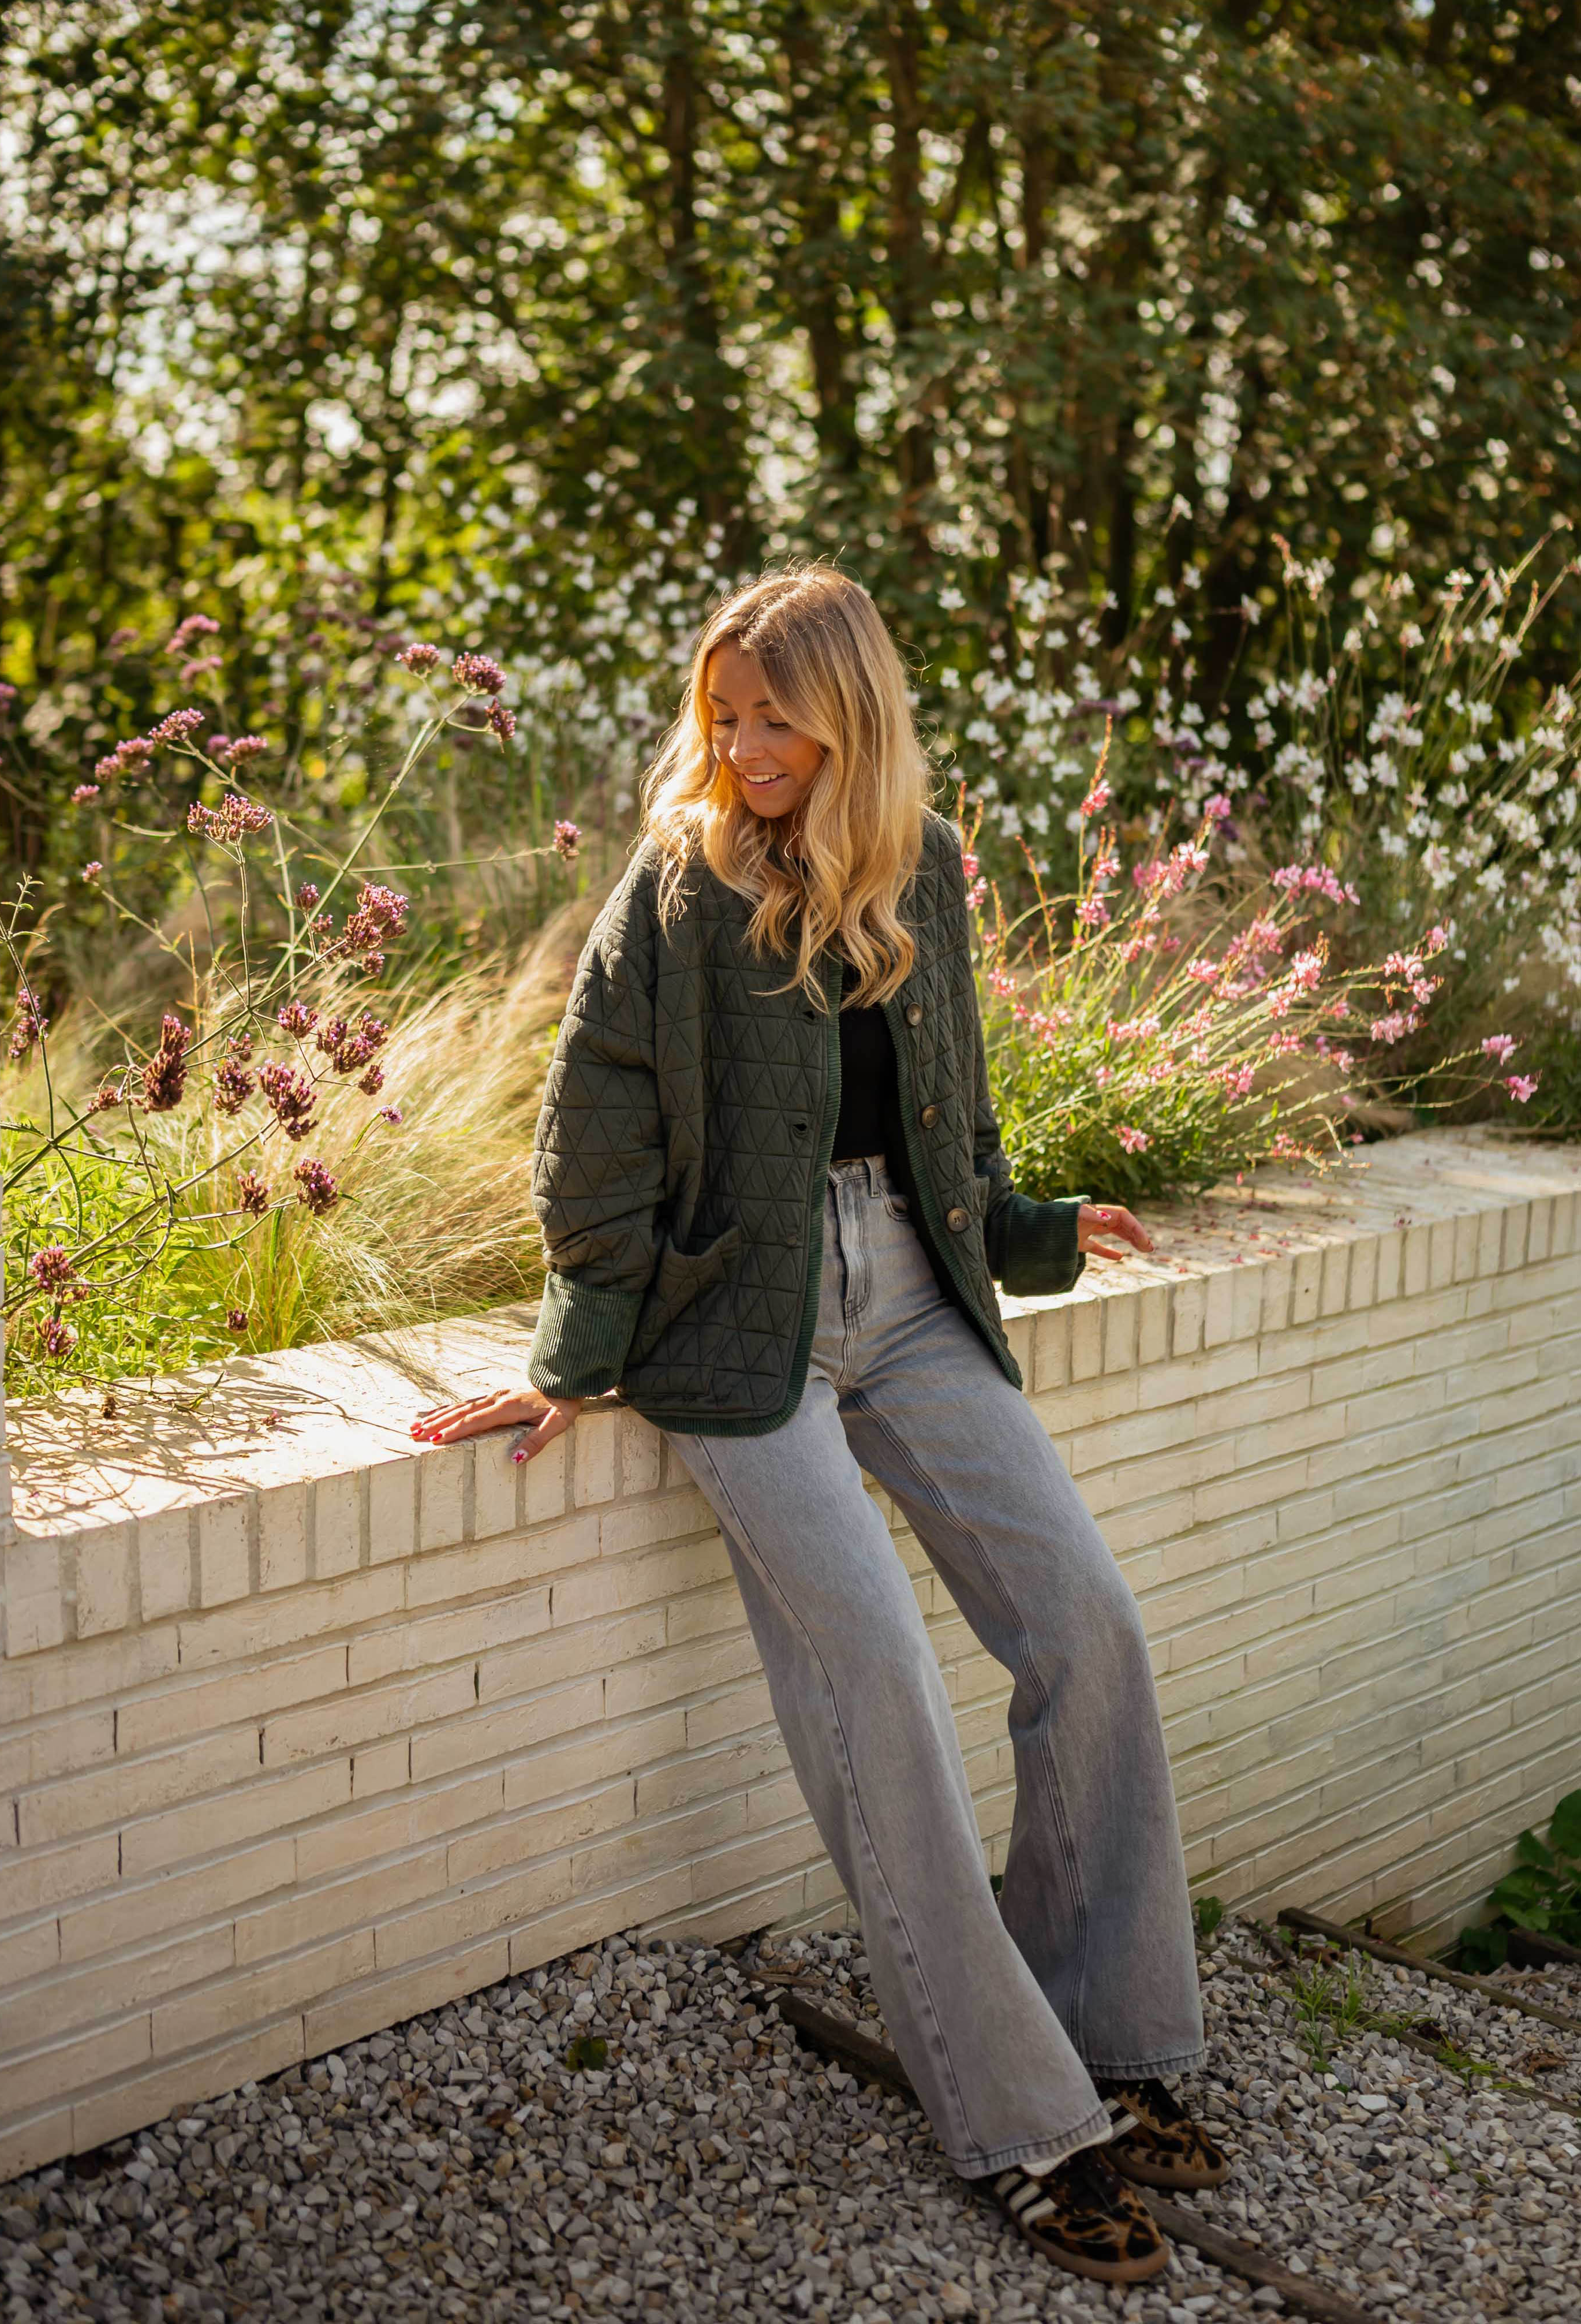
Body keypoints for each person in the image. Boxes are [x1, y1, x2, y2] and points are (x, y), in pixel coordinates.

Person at [412, 565, 1227, 2286]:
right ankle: (1020, 2116)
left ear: (849, 715)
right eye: (725, 710)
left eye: (779, 713)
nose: (746, 741)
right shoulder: (675, 889)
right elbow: (596, 1138)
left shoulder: (916, 865)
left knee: (1091, 1623)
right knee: (879, 1676)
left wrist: (1029, 1231)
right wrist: (578, 1352)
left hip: (914, 1297)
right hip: (737, 1329)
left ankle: (1111, 2030)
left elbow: (955, 1118)